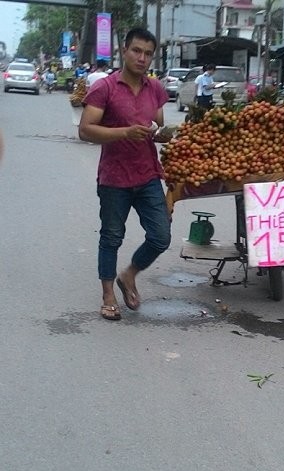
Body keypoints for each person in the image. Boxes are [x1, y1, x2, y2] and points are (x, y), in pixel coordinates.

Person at [78, 27, 172, 321]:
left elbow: (157, 126)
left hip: (147, 175)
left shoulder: (155, 88)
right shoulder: (104, 87)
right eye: (136, 51)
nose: (142, 58)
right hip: (114, 177)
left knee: (161, 237)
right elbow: (85, 130)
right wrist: (125, 132)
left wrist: (163, 135)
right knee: (111, 237)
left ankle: (129, 275)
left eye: (147, 53)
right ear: (124, 51)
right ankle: (108, 294)